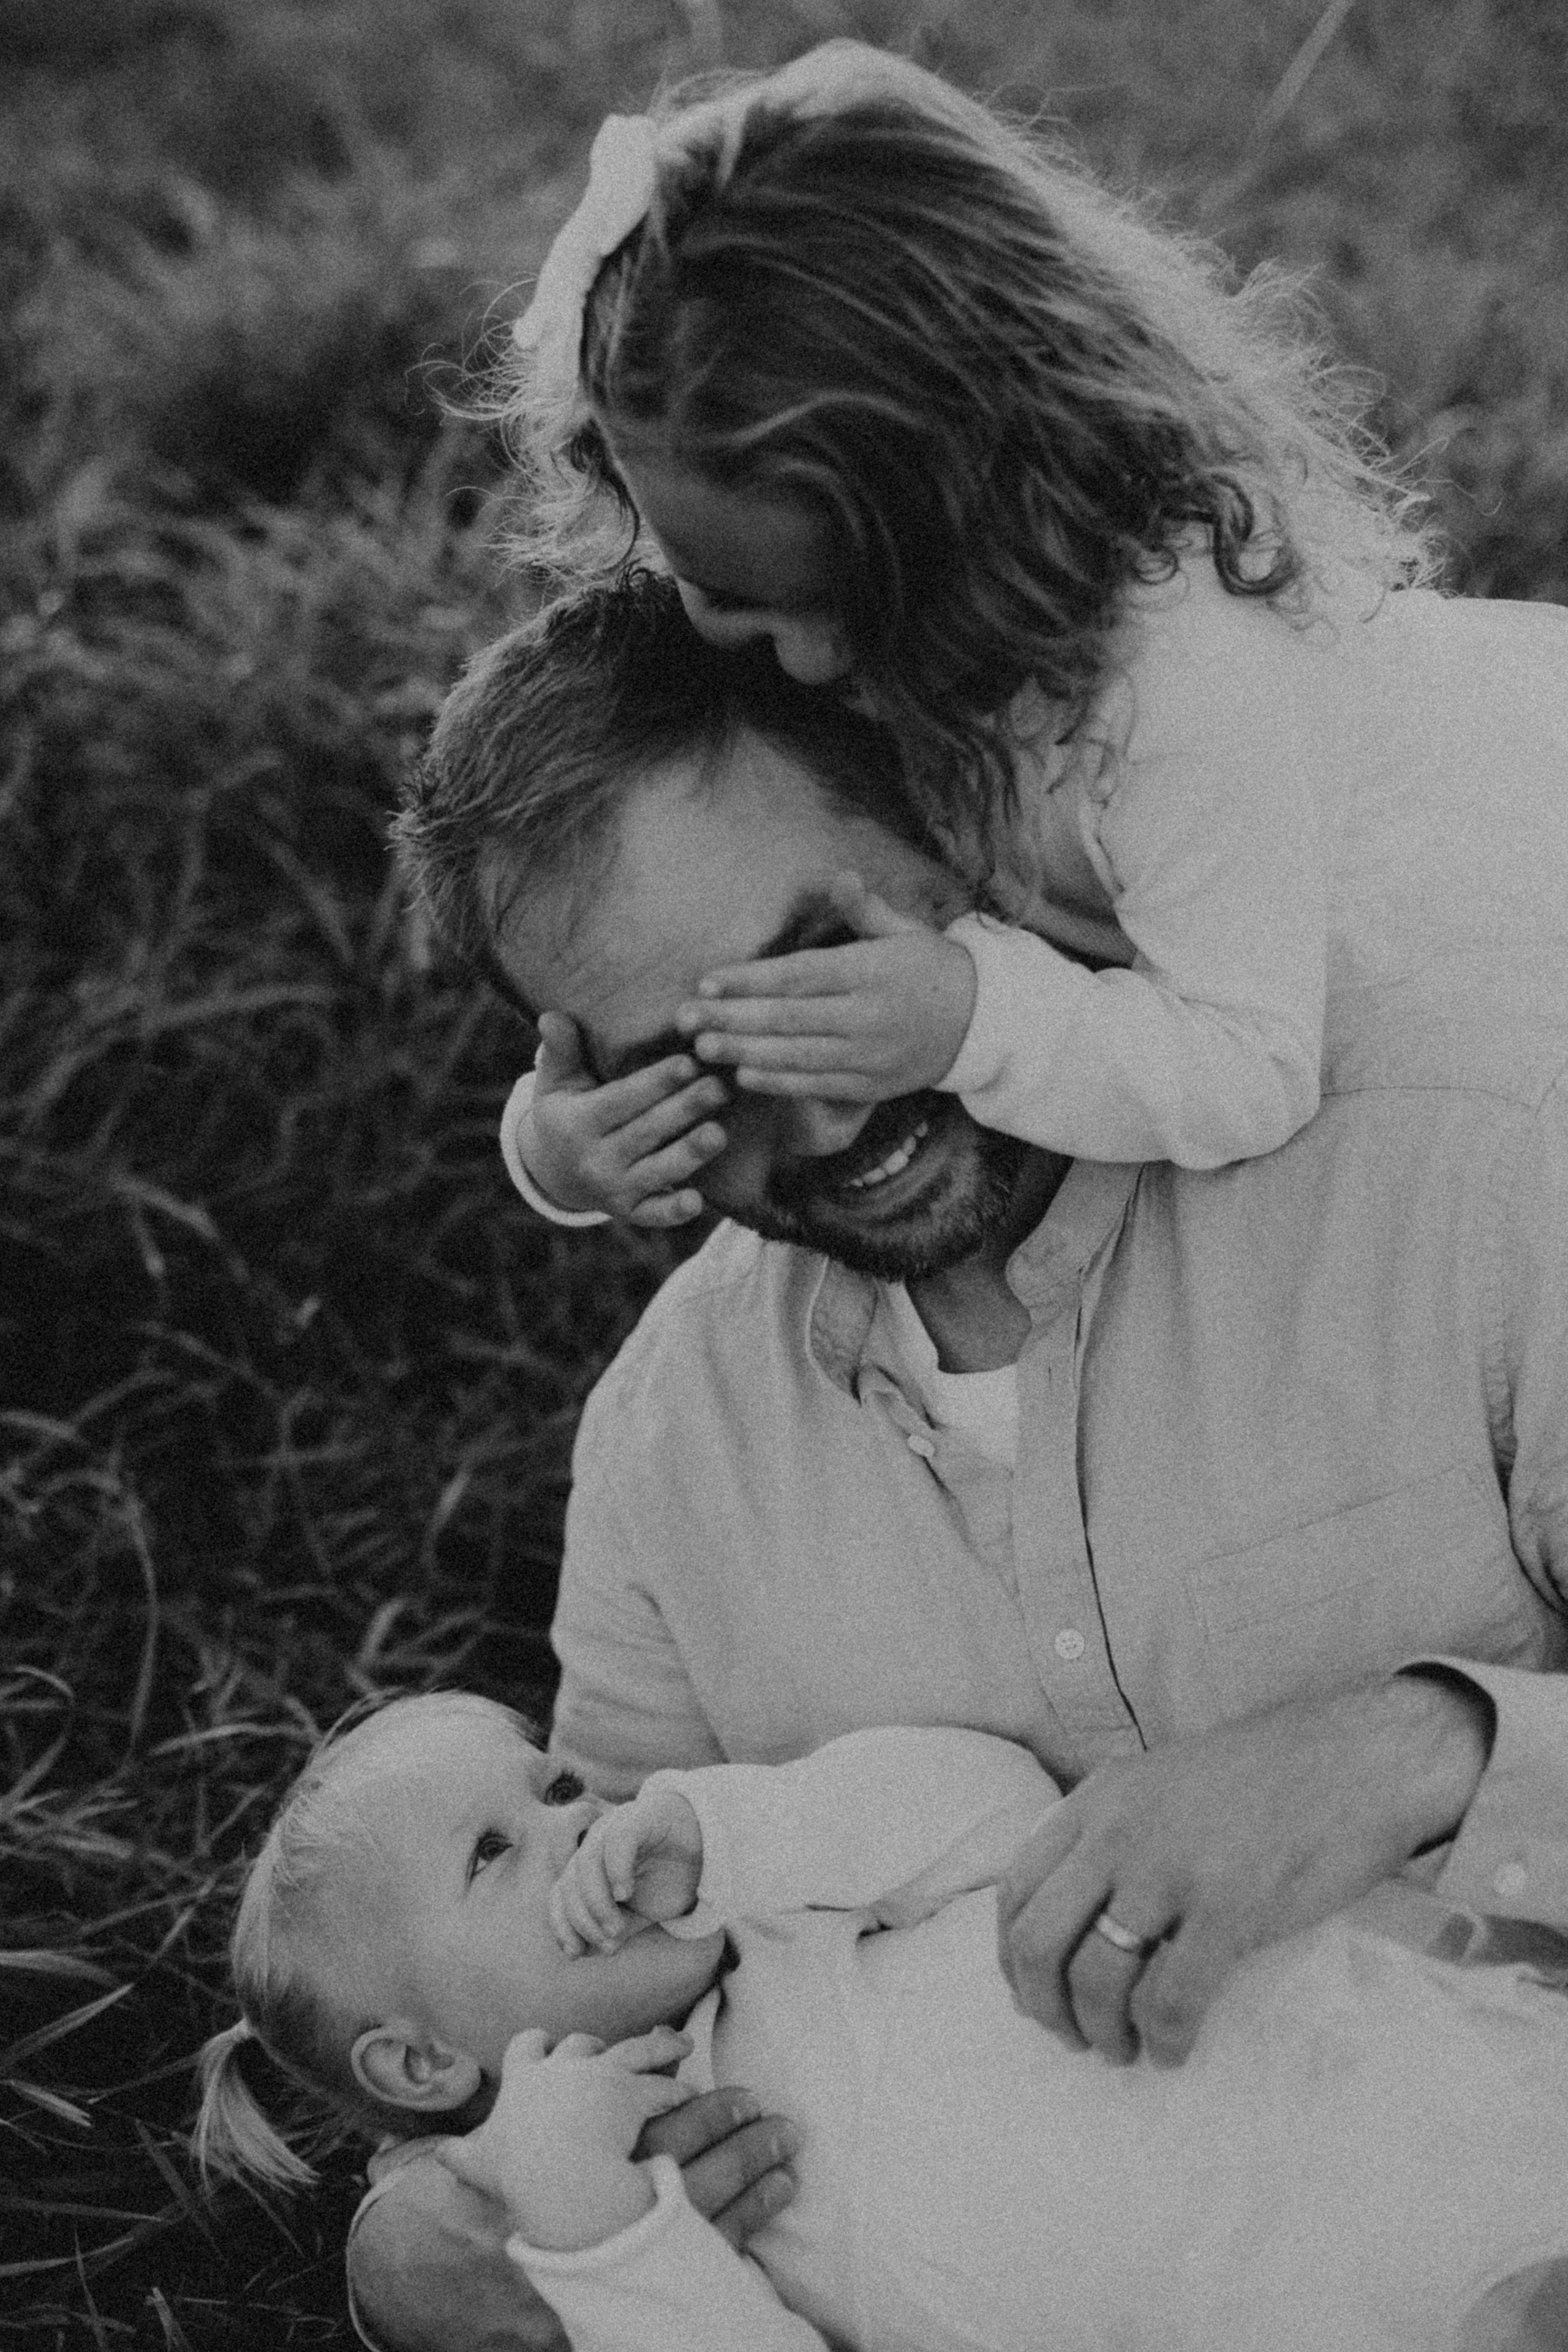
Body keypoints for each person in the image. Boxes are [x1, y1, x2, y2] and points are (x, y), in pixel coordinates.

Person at [355, 565, 1568, 2346]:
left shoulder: (1467, 1174)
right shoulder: (675, 1450)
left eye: (824, 971)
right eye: (703, 1059)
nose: (827, 1109)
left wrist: (1425, 1754)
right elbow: (564, 1973)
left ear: (966, 839)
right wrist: (437, 2234)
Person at [489, 39, 1568, 1235]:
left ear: (1005, 484)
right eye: (726, 596)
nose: (796, 665)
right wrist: (557, 1150)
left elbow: (1249, 1073)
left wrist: (970, 1017)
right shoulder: (830, 576)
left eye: (850, 607)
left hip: (1471, 924)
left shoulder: (1179, 687)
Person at [198, 1690, 1568, 2351]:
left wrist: (733, 1832)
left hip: (1423, 2070)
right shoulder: (645, 2225)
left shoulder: (790, 1918)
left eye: (553, 1785)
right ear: (424, 2062)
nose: (574, 1823)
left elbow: (999, 1812)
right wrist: (595, 2232)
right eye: (491, 1853)